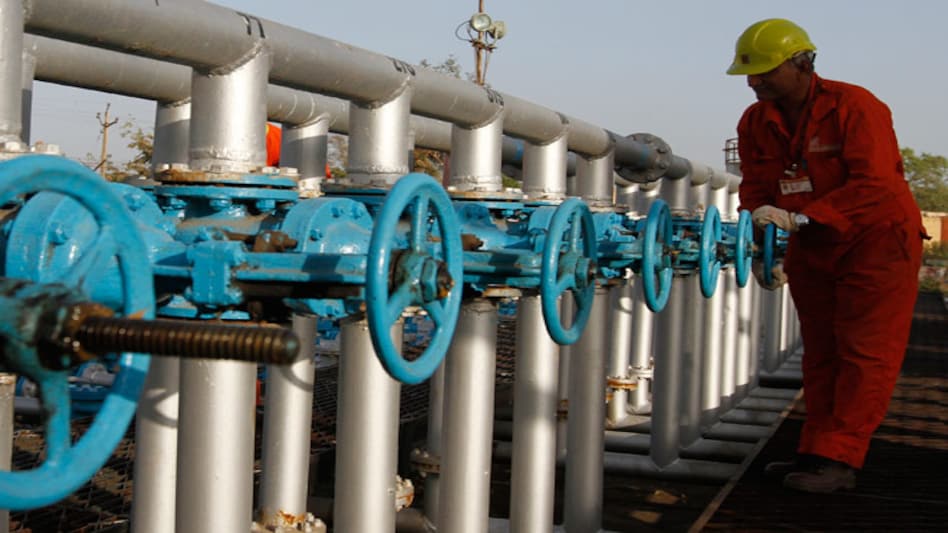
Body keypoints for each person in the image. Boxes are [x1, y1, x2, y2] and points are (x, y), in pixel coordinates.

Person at [727, 18, 926, 493]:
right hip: (814, 244)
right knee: (822, 353)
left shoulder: (855, 106)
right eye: (748, 73)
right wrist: (761, 234)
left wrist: (805, 217)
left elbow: (875, 183)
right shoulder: (757, 121)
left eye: (764, 72)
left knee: (864, 353)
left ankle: (839, 460)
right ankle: (815, 451)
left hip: (877, 241)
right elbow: (756, 184)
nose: (753, 82)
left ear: (801, 64)